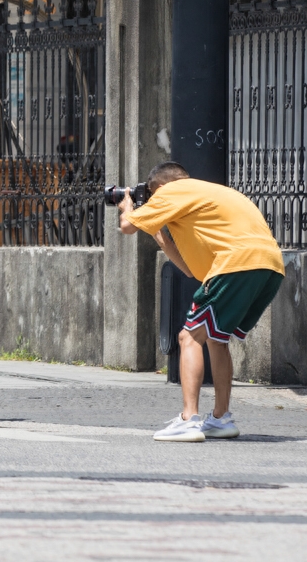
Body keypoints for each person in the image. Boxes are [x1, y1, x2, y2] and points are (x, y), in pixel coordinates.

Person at [118, 161, 286, 442]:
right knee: (215, 338)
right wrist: (159, 234)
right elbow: (191, 271)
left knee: (188, 337)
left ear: (158, 188)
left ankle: (189, 419)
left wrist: (126, 206)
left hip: (235, 263)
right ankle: (221, 419)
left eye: (151, 194)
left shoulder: (170, 192)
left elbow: (126, 227)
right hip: (268, 266)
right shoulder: (209, 193)